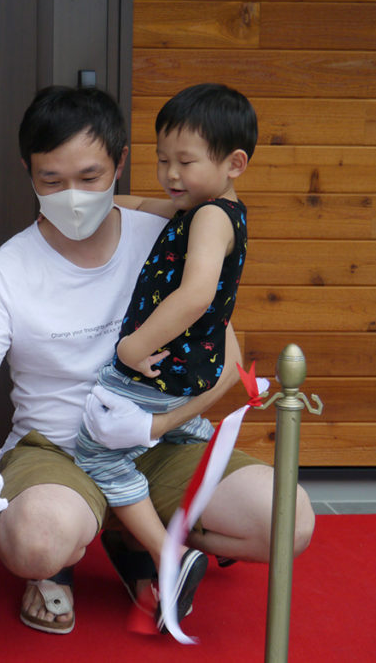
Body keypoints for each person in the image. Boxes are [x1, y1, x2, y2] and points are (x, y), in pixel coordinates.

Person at [0, 86, 314, 636]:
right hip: (55, 450)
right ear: (28, 171)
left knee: (287, 519)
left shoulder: (169, 237)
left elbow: (226, 360)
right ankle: (67, 553)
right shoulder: (7, 270)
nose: (73, 197)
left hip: (159, 447)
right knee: (37, 539)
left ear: (120, 161)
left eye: (90, 177)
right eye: (52, 181)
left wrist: (159, 425)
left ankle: (134, 537)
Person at [74, 82, 256, 628]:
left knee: (97, 449)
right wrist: (89, 204)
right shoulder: (205, 207)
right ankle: (188, 447)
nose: (170, 174)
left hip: (156, 368)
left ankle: (168, 554)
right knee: (164, 432)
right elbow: (139, 205)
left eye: (185, 161)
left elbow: (197, 293)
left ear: (234, 163)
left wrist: (134, 345)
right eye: (161, 160)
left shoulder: (209, 218)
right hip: (186, 370)